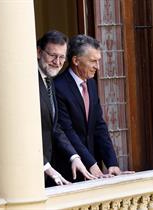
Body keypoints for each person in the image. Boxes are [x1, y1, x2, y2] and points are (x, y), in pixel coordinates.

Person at [54, 34, 132, 181]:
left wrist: (112, 162)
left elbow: (99, 125)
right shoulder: (59, 87)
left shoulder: (91, 84)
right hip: (70, 170)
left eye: (98, 61)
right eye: (93, 61)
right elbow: (68, 131)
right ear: (76, 60)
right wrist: (91, 163)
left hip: (93, 169)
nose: (97, 66)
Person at [37, 31, 95, 187]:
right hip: (32, 171)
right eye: (52, 55)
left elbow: (55, 128)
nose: (57, 62)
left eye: (62, 57)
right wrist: (45, 166)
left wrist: (74, 157)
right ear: (38, 52)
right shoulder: (29, 80)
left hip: (48, 172)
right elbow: (21, 131)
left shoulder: (50, 80)